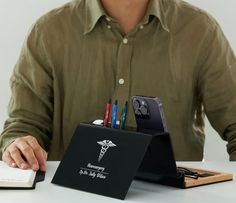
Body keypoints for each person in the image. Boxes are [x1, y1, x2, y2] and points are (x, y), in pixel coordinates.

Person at [0, 0, 236, 172]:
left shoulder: (199, 30)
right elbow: (24, 126)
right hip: (72, 200)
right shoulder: (49, 32)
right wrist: (19, 145)